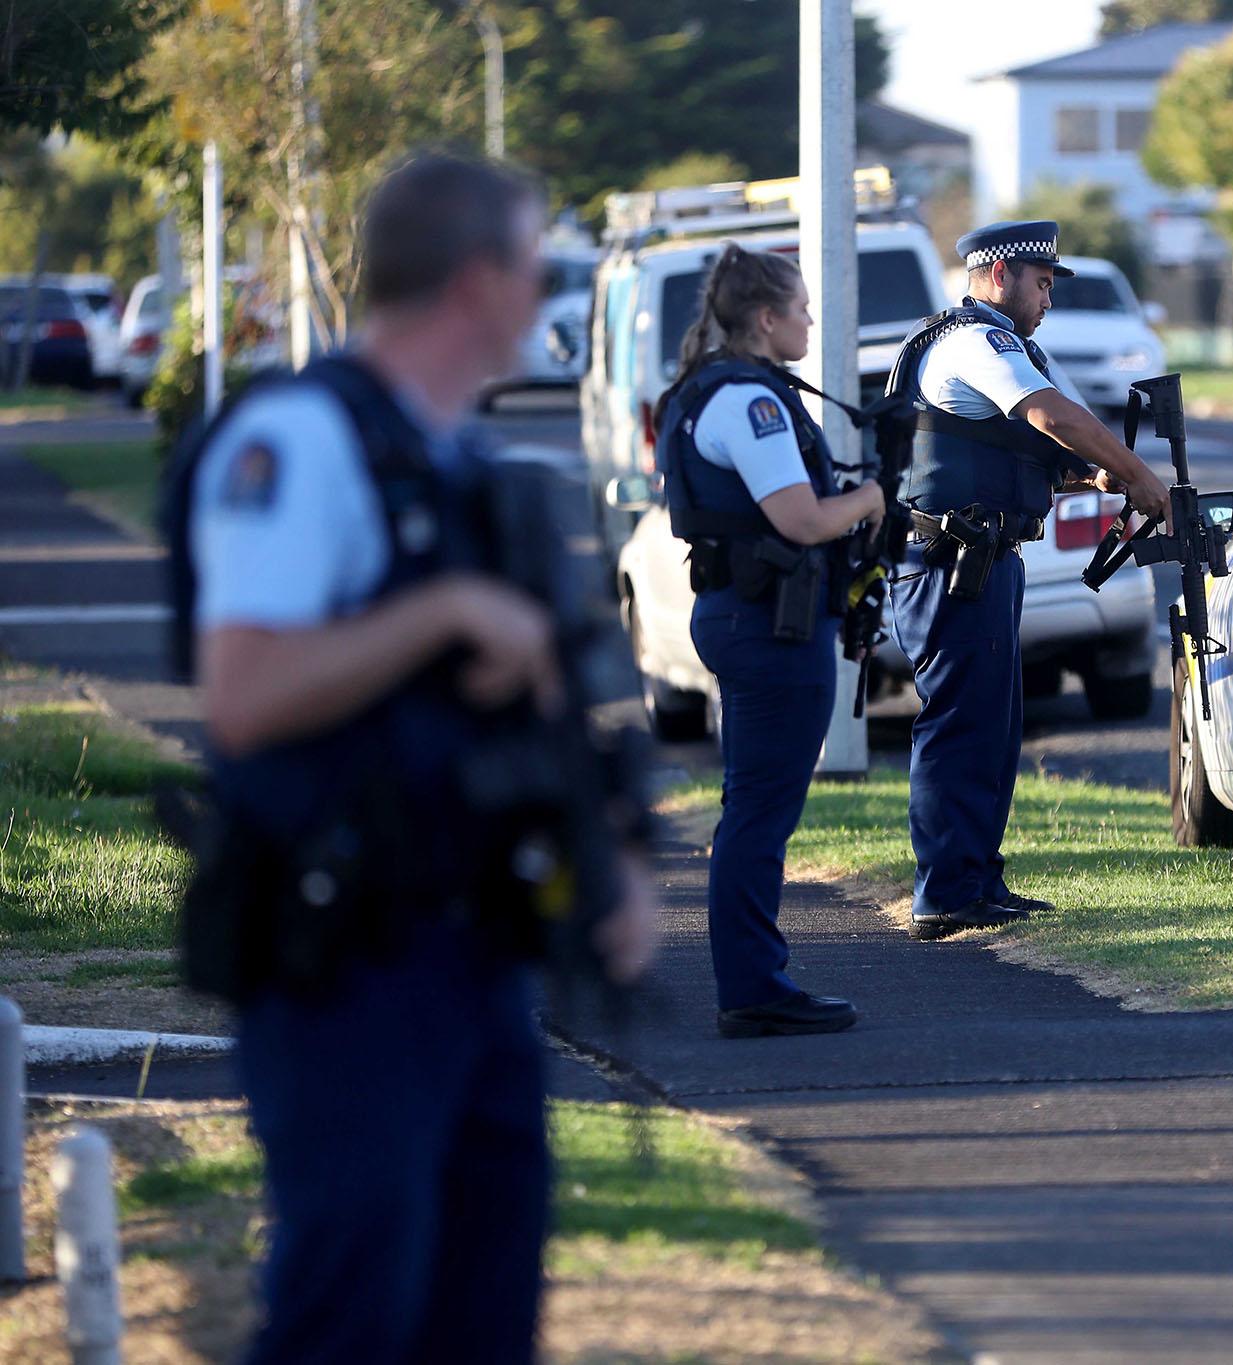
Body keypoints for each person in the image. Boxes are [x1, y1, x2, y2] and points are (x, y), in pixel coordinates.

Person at [177, 151, 658, 1361]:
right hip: (346, 958)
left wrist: (611, 867)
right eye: (539, 266)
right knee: (351, 1313)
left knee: (480, 1315)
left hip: (475, 953)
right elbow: (243, 693)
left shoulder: (457, 463)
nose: (545, 294)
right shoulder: (300, 440)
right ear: (479, 279)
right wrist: (440, 618)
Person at [884, 220, 1171, 940]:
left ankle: (975, 879)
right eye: (1042, 283)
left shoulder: (997, 344)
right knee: (959, 728)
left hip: (982, 562)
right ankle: (944, 890)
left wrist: (1092, 471)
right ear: (1000, 273)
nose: (1048, 299)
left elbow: (1017, 441)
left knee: (992, 728)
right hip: (955, 566)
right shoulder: (977, 342)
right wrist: (1136, 474)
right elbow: (1050, 414)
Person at [654, 243, 881, 1037]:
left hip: (745, 615)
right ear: (765, 317)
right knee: (758, 813)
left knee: (751, 809)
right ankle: (753, 987)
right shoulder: (749, 401)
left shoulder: (705, 391)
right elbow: (802, 519)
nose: (811, 319)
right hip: (770, 625)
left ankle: (754, 979)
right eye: (803, 307)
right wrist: (871, 498)